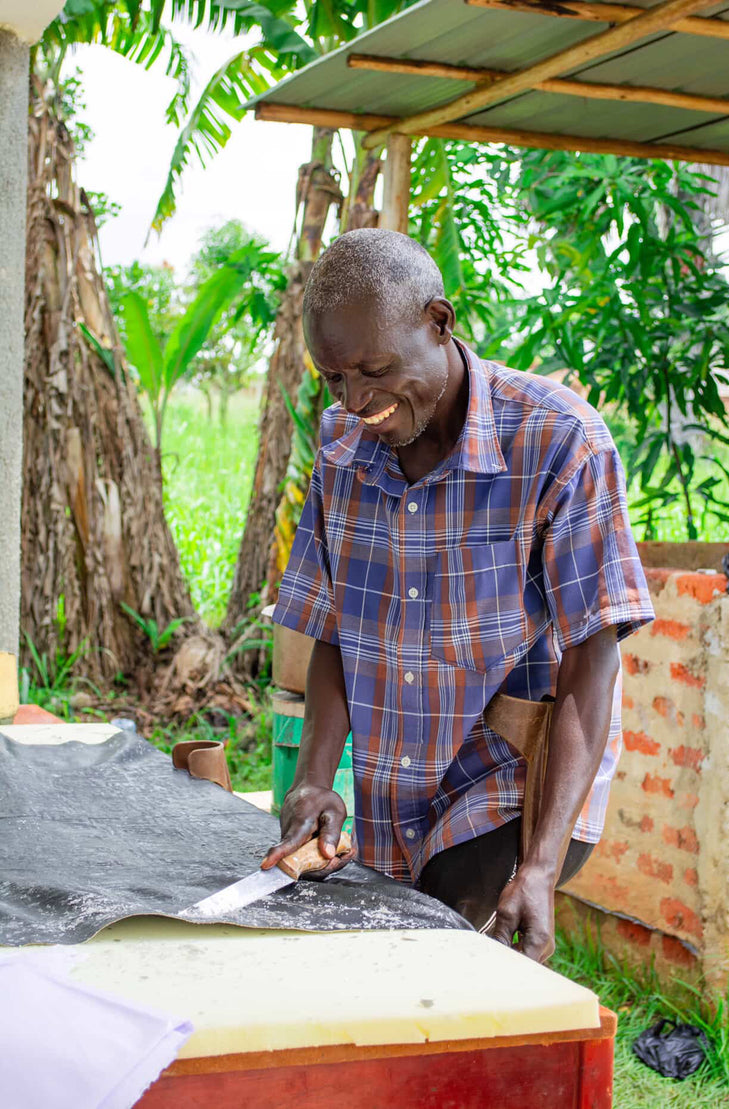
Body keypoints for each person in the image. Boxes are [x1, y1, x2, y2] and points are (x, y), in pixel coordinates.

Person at [262, 228, 654, 961]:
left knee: (433, 956)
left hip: (513, 781)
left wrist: (539, 864)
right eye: (335, 379)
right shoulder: (343, 449)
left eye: (374, 370)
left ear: (439, 323)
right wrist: (314, 782)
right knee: (390, 962)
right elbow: (332, 628)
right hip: (396, 793)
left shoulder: (559, 441)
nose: (356, 402)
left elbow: (592, 660)